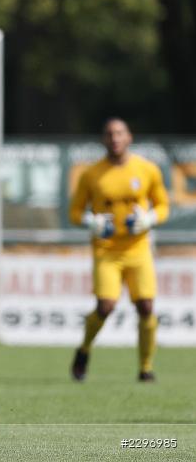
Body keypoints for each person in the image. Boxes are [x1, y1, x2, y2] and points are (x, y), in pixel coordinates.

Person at [69, 118, 169, 382]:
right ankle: (84, 350)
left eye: (119, 133)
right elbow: (74, 212)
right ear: (103, 139)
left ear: (129, 137)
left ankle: (145, 368)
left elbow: (163, 206)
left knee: (146, 306)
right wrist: (91, 221)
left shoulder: (147, 169)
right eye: (110, 134)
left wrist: (149, 219)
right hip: (107, 250)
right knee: (105, 306)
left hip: (138, 249)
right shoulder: (92, 174)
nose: (115, 138)